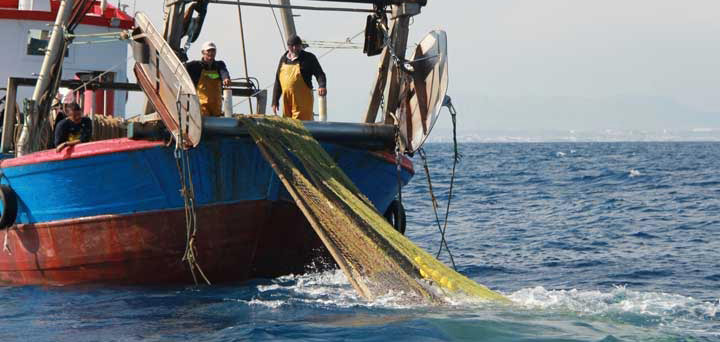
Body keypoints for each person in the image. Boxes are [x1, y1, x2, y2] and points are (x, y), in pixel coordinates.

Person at [272, 35, 327, 121]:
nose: (295, 48)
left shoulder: (309, 58)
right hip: (287, 100)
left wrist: (322, 85)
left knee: (301, 123)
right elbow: (277, 81)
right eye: (292, 46)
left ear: (301, 46)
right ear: (288, 46)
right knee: (287, 123)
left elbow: (320, 74)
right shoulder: (283, 59)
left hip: (303, 100)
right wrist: (275, 101)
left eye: (297, 45)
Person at [185, 41, 231, 116]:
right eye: (208, 51)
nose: (211, 53)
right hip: (201, 104)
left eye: (213, 51)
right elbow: (181, 68)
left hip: (216, 105)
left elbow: (223, 72)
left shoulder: (219, 65)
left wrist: (226, 78)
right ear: (203, 52)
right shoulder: (195, 66)